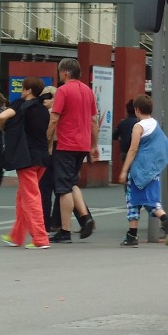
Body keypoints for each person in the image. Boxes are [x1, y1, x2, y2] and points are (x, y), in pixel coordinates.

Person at [117, 94, 168, 247]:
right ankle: (165, 222)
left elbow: (133, 149)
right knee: (150, 200)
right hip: (152, 170)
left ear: (137, 109)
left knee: (133, 201)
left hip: (139, 170)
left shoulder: (139, 126)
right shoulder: (155, 124)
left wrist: (124, 170)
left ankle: (135, 234)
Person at [47, 58, 98, 243]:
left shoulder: (63, 91)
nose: (59, 75)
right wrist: (94, 144)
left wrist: (47, 140)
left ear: (66, 73)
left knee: (63, 188)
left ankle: (65, 230)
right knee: (71, 182)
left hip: (66, 144)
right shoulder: (88, 91)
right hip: (83, 144)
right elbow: (93, 120)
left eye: (60, 71)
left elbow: (54, 119)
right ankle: (85, 218)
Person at [0, 77, 51, 249]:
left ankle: (40, 238)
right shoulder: (43, 109)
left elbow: (1, 116)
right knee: (23, 197)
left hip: (26, 157)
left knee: (31, 197)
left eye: (23, 89)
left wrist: (4, 128)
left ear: (28, 90)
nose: (21, 91)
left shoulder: (20, 104)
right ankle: (16, 236)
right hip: (42, 157)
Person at [38, 85, 60, 231]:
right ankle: (57, 221)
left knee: (45, 190)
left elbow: (47, 134)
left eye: (48, 97)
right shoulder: (64, 112)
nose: (44, 101)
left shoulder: (50, 114)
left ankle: (46, 223)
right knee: (62, 189)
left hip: (50, 153)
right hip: (63, 153)